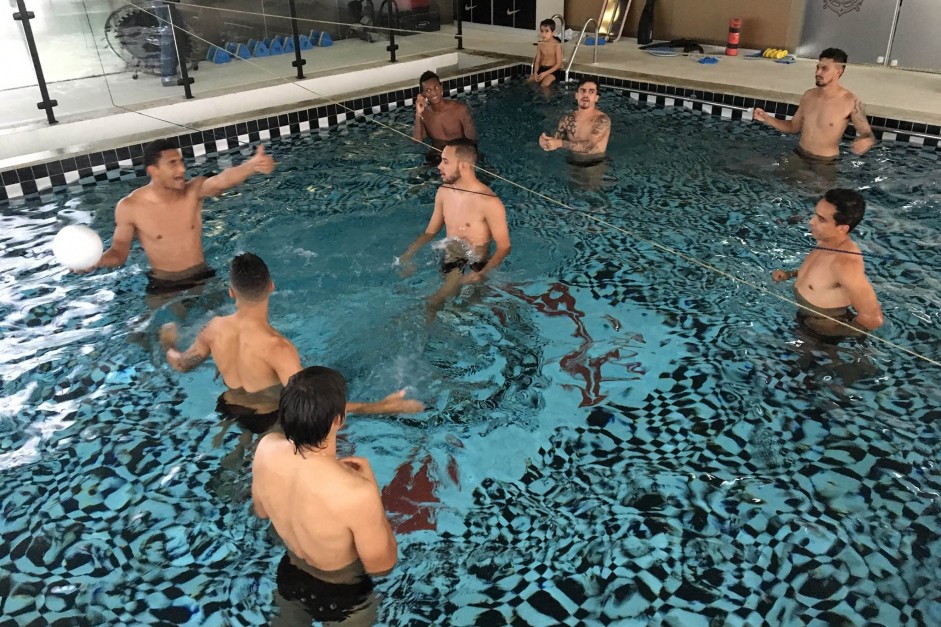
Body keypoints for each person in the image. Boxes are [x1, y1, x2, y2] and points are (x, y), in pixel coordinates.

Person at [160, 253, 423, 433]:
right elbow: (311, 409)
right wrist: (383, 407)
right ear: (272, 286)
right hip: (269, 419)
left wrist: (168, 343)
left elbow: (182, 364)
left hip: (228, 408)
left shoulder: (213, 328)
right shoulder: (278, 348)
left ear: (231, 292)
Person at [253, 366, 397, 625]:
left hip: (290, 575)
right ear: (338, 420)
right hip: (343, 594)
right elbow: (382, 566)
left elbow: (262, 511)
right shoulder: (356, 493)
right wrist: (373, 493)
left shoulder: (265, 448)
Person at [88, 138, 275, 296]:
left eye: (181, 162)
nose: (181, 170)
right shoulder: (130, 207)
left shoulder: (193, 192)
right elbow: (118, 254)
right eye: (172, 163)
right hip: (163, 285)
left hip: (203, 276)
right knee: (153, 337)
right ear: (153, 170)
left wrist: (251, 166)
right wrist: (93, 260)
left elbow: (221, 182)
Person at [399, 139, 511, 318]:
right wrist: (407, 255)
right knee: (443, 304)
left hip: (476, 263)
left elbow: (504, 246)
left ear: (464, 166)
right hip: (451, 256)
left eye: (446, 161)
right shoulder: (444, 192)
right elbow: (430, 232)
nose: (439, 166)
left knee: (440, 303)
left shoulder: (490, 202)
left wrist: (482, 273)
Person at [771, 189, 883, 337]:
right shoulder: (826, 240)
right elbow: (822, 276)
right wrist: (790, 274)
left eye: (821, 219)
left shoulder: (845, 264)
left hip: (822, 329)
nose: (811, 221)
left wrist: (830, 334)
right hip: (809, 318)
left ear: (842, 228)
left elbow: (873, 318)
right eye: (815, 214)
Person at [752, 48, 876, 161]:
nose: (818, 73)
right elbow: (792, 127)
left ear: (838, 71)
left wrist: (866, 140)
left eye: (824, 69)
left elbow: (868, 134)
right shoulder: (809, 96)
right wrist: (766, 118)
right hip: (799, 155)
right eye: (818, 67)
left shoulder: (850, 102)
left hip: (825, 163)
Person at [538, 77, 611, 162]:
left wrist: (560, 143)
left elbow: (589, 146)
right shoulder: (567, 119)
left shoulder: (602, 120)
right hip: (571, 161)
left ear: (596, 98)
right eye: (582, 91)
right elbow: (556, 139)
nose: (585, 95)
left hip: (594, 164)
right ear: (576, 95)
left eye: (591, 92)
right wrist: (546, 143)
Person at [412, 71, 478, 149]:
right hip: (436, 155)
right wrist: (418, 113)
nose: (433, 93)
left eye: (436, 88)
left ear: (441, 88)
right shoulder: (424, 115)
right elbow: (417, 141)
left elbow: (472, 142)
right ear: (423, 94)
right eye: (428, 90)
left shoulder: (460, 110)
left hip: (459, 155)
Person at [530, 19, 563, 88]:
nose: (543, 34)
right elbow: (537, 61)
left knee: (544, 85)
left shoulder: (556, 45)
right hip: (542, 69)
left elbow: (558, 64)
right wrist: (536, 72)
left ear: (553, 32)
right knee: (529, 82)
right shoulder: (540, 44)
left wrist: (545, 73)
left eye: (547, 31)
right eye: (542, 31)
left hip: (553, 70)